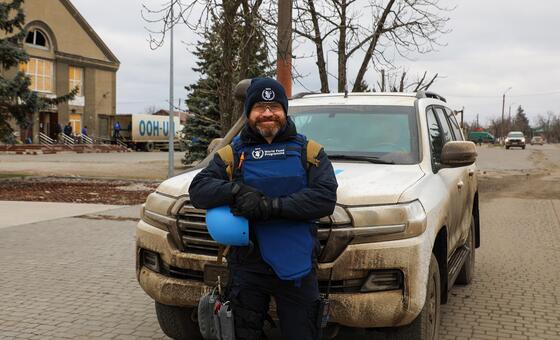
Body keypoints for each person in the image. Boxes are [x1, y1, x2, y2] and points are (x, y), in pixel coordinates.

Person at [189, 77, 338, 340]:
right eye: (259, 107)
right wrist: (235, 190)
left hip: (297, 266)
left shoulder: (309, 152)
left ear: (284, 111)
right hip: (247, 267)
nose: (267, 113)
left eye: (274, 107)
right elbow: (199, 190)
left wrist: (270, 206)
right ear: (249, 113)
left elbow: (324, 198)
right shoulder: (231, 154)